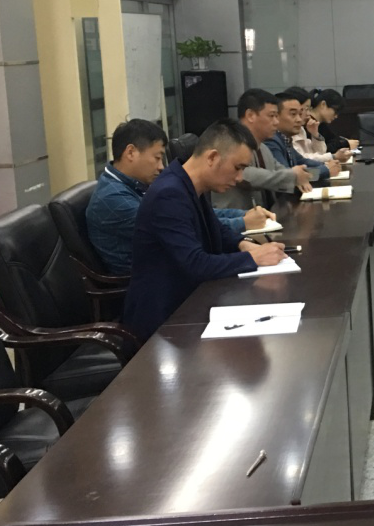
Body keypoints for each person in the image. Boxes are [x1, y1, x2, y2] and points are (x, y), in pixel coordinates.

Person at [123, 119, 287, 340]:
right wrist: (252, 258)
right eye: (237, 168)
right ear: (212, 157)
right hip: (165, 322)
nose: (239, 178)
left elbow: (216, 229)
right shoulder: (168, 194)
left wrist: (243, 244)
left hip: (192, 303)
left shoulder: (189, 183)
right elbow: (195, 264)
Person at [87, 119, 272, 274]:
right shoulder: (134, 196)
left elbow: (208, 223)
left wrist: (241, 241)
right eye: (157, 157)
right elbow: (194, 258)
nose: (161, 167)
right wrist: (250, 255)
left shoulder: (181, 184)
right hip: (159, 288)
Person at [214, 88, 313, 211]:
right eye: (272, 116)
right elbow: (244, 175)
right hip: (234, 217)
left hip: (263, 218)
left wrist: (300, 176)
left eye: (277, 116)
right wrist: (292, 176)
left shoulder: (263, 148)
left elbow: (280, 170)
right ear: (250, 115)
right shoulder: (229, 142)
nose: (276, 122)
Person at [267, 89, 339, 181]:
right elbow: (288, 178)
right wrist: (326, 170)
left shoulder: (283, 138)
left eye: (300, 114)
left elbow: (302, 161)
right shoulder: (271, 141)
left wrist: (326, 165)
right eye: (293, 114)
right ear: (276, 116)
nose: (299, 119)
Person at [309, 88, 359, 156]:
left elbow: (333, 139)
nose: (336, 116)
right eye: (335, 111)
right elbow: (323, 150)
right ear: (323, 104)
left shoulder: (321, 124)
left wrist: (343, 142)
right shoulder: (309, 124)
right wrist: (346, 144)